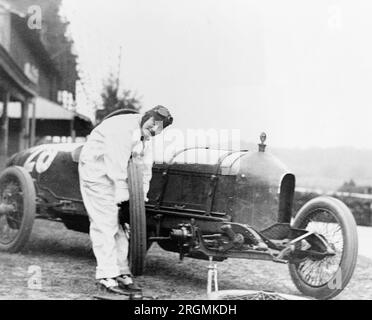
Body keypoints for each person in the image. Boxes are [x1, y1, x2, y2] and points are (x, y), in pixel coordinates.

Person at [78, 106, 173, 294]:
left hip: (116, 175)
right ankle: (106, 276)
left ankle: (121, 272)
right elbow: (116, 167)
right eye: (152, 123)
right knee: (105, 224)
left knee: (121, 226)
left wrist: (139, 200)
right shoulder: (122, 130)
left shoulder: (146, 135)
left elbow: (144, 169)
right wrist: (123, 201)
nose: (153, 129)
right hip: (97, 173)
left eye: (158, 129)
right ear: (147, 116)